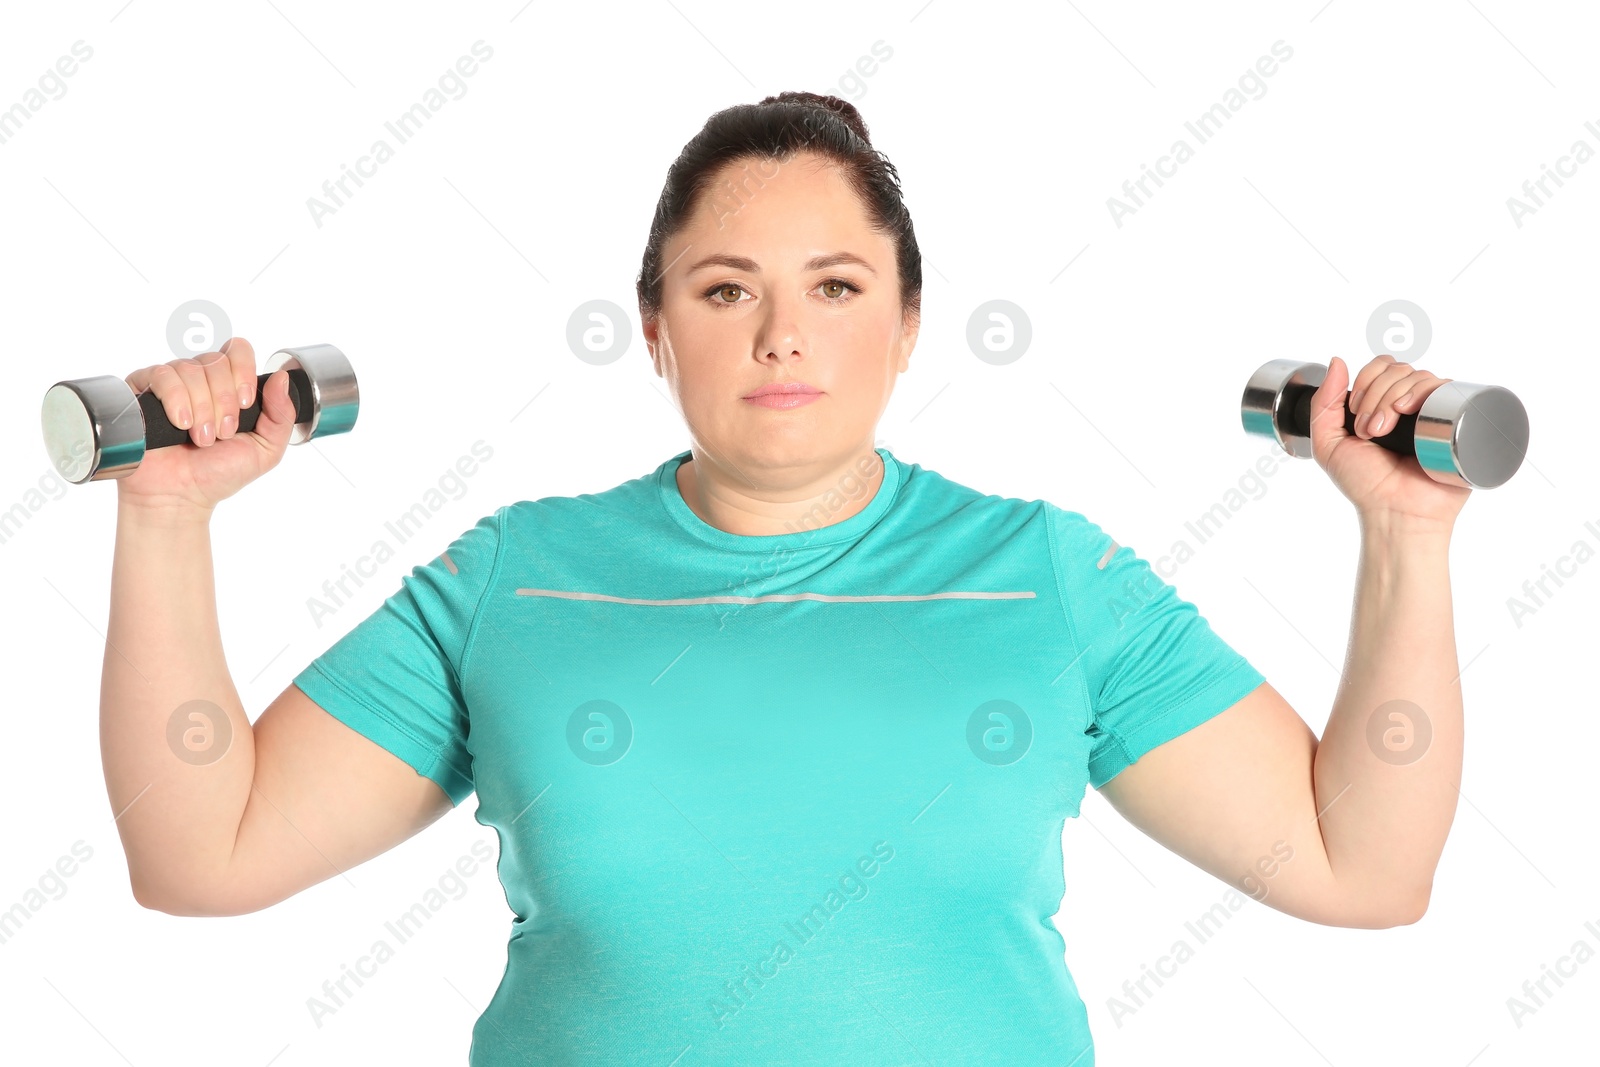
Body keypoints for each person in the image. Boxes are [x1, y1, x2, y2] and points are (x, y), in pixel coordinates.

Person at [102, 91, 1470, 1065]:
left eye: (833, 286)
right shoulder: (518, 579)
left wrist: (1407, 538)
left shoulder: (1045, 578)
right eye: (722, 290)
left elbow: (1366, 866)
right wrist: (165, 516)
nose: (778, 337)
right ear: (654, 330)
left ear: (908, 324)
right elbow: (199, 854)